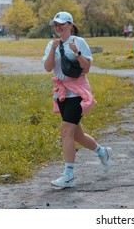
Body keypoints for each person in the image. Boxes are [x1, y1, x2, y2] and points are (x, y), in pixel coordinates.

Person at [42, 11, 112, 188]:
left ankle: (69, 175)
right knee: (77, 135)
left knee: (66, 132)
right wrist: (53, 48)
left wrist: (77, 52)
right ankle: (102, 151)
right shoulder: (52, 44)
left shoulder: (79, 42)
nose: (58, 27)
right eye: (55, 24)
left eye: (61, 24)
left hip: (78, 92)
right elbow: (48, 68)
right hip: (61, 93)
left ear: (70, 25)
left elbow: (86, 68)